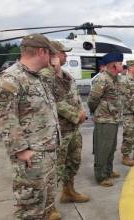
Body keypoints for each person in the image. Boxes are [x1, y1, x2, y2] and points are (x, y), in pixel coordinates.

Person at [0, 33, 61, 219]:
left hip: (46, 152)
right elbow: (4, 117)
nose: (52, 57)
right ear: (41, 51)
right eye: (50, 53)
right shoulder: (12, 78)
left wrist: (55, 67)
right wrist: (21, 150)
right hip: (32, 156)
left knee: (44, 204)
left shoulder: (36, 77)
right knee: (30, 209)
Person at [40, 41, 90, 203]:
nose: (66, 55)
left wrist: (82, 111)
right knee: (56, 168)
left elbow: (75, 97)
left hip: (73, 129)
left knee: (73, 162)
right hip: (58, 131)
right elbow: (55, 100)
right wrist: (77, 115)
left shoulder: (66, 74)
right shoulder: (44, 75)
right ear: (53, 55)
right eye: (63, 53)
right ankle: (49, 206)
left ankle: (68, 191)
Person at [88, 52, 123, 187]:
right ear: (113, 65)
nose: (122, 65)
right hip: (104, 119)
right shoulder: (102, 79)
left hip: (113, 118)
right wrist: (94, 112)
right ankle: (101, 176)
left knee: (111, 147)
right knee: (102, 148)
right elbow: (92, 99)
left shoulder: (116, 78)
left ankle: (108, 170)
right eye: (120, 63)